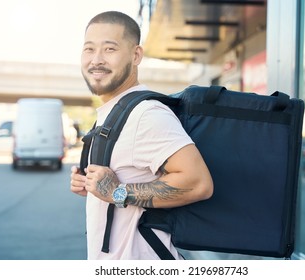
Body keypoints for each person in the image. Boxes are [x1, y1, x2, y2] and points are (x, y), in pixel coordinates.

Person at [70, 11, 213, 260]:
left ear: (136, 55)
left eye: (110, 49)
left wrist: (116, 192)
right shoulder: (114, 112)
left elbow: (198, 183)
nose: (96, 60)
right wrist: (93, 187)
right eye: (89, 49)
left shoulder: (146, 114)